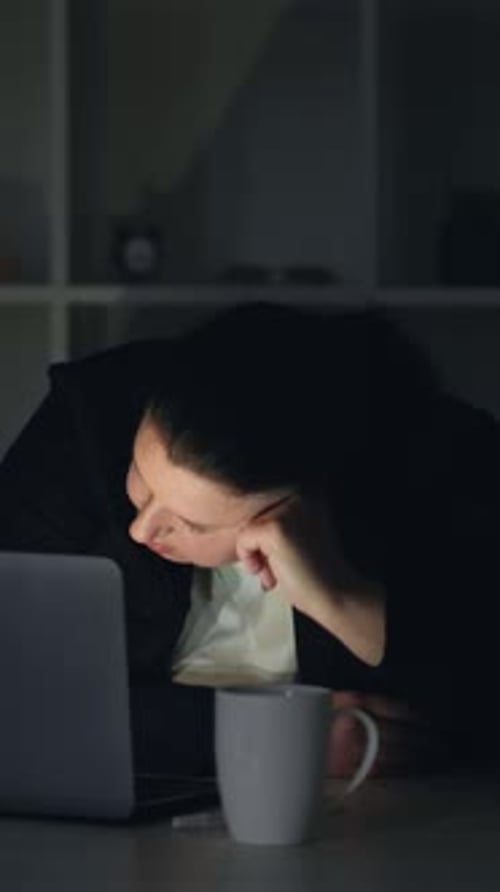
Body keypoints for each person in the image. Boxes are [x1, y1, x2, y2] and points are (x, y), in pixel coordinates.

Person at [0, 301, 499, 777]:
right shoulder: (86, 424)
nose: (141, 528)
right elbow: (19, 690)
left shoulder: (436, 467)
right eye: (140, 476)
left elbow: (471, 702)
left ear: (297, 505)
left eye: (193, 524)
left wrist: (338, 597)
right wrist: (283, 736)